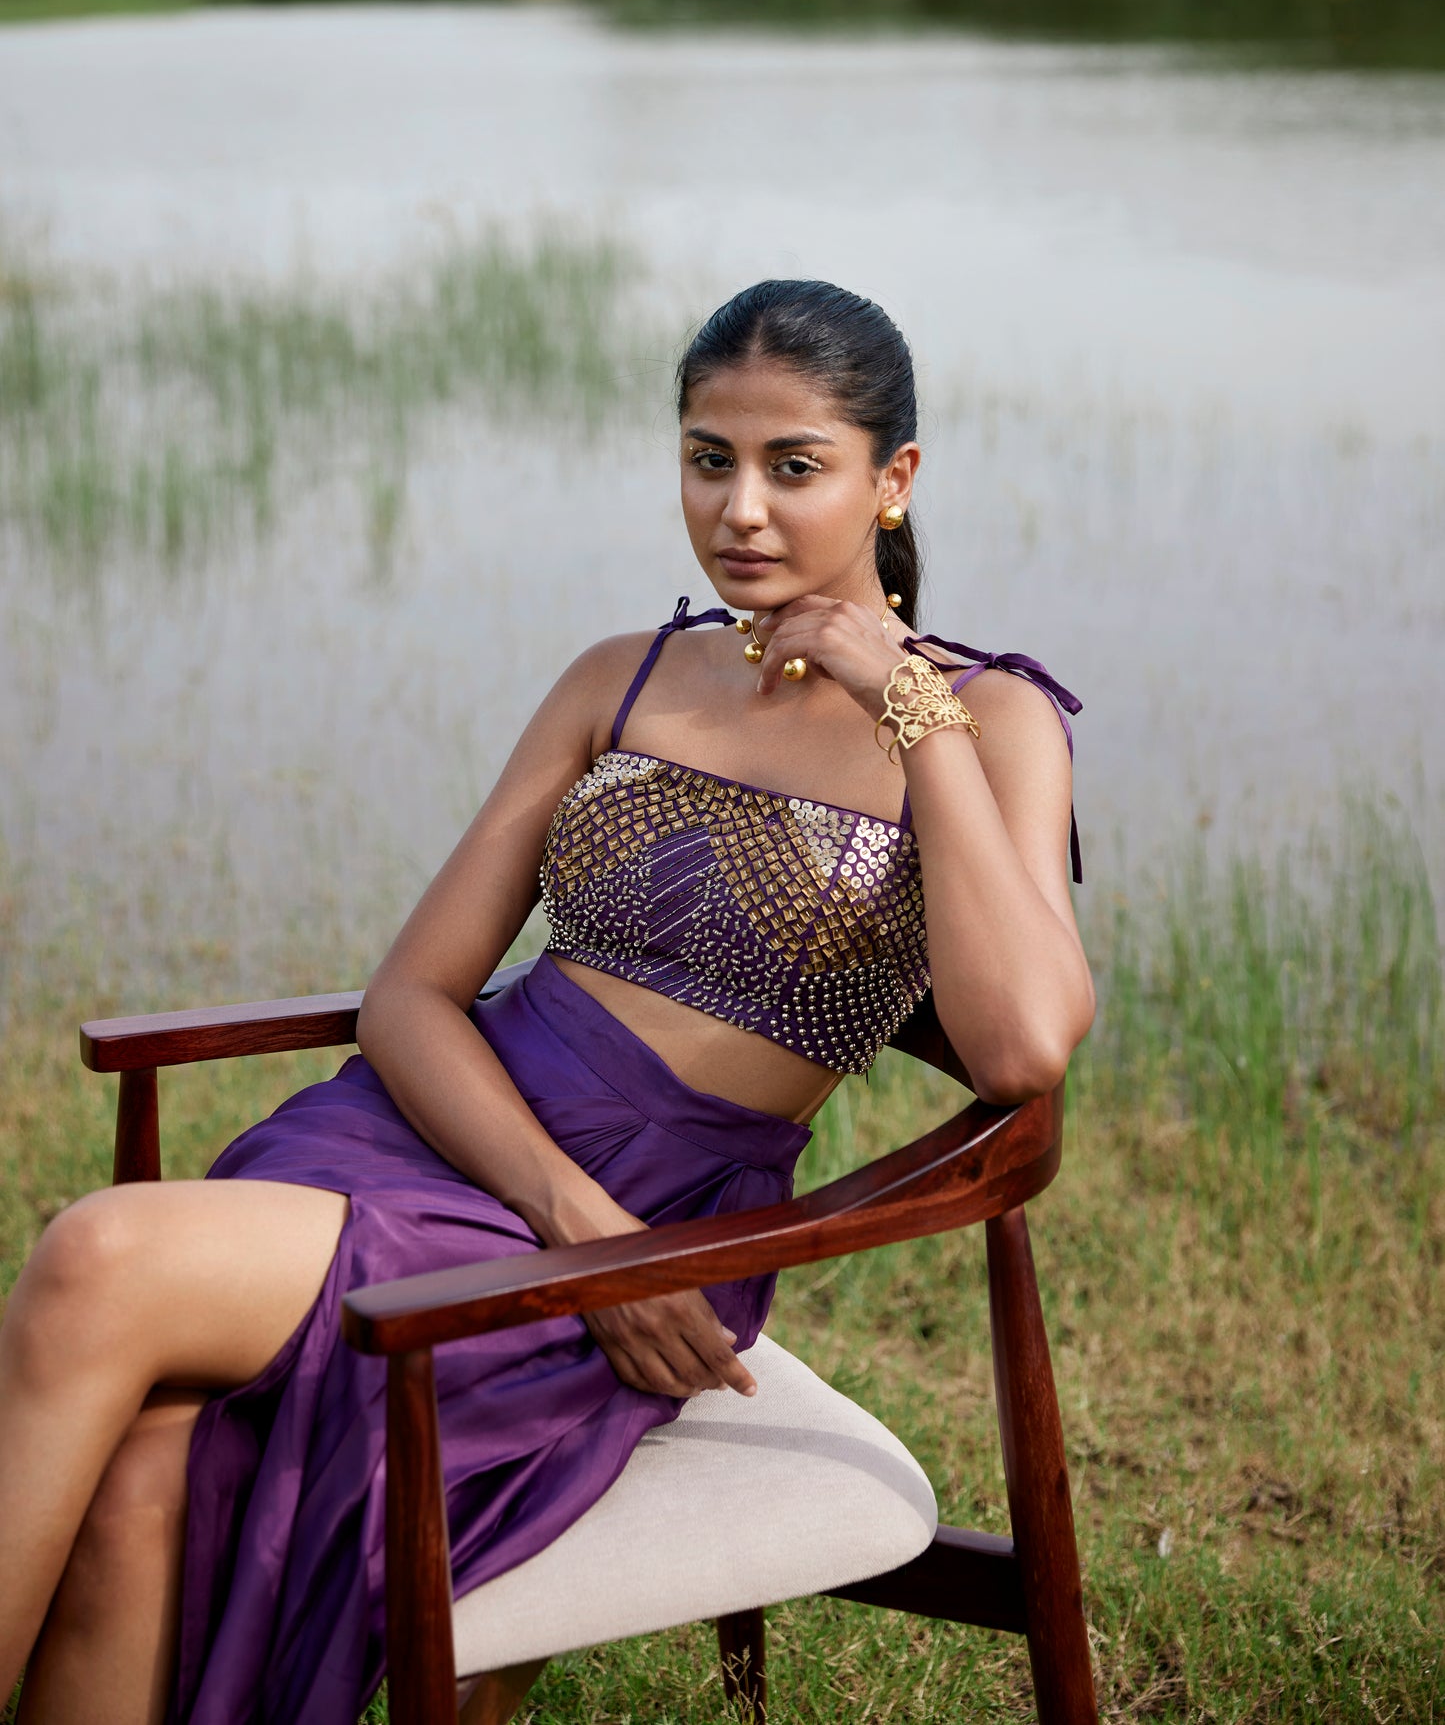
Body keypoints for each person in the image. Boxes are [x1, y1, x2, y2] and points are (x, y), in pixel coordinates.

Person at [0, 279, 1095, 1725]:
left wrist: (904, 700)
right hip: (453, 1144)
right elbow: (413, 995)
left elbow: (1021, 1038)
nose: (741, 510)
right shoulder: (621, 673)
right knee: (145, 1469)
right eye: (708, 459)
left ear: (892, 479)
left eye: (793, 465)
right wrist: (575, 1218)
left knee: (99, 1252)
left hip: (671, 1205)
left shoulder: (992, 720)